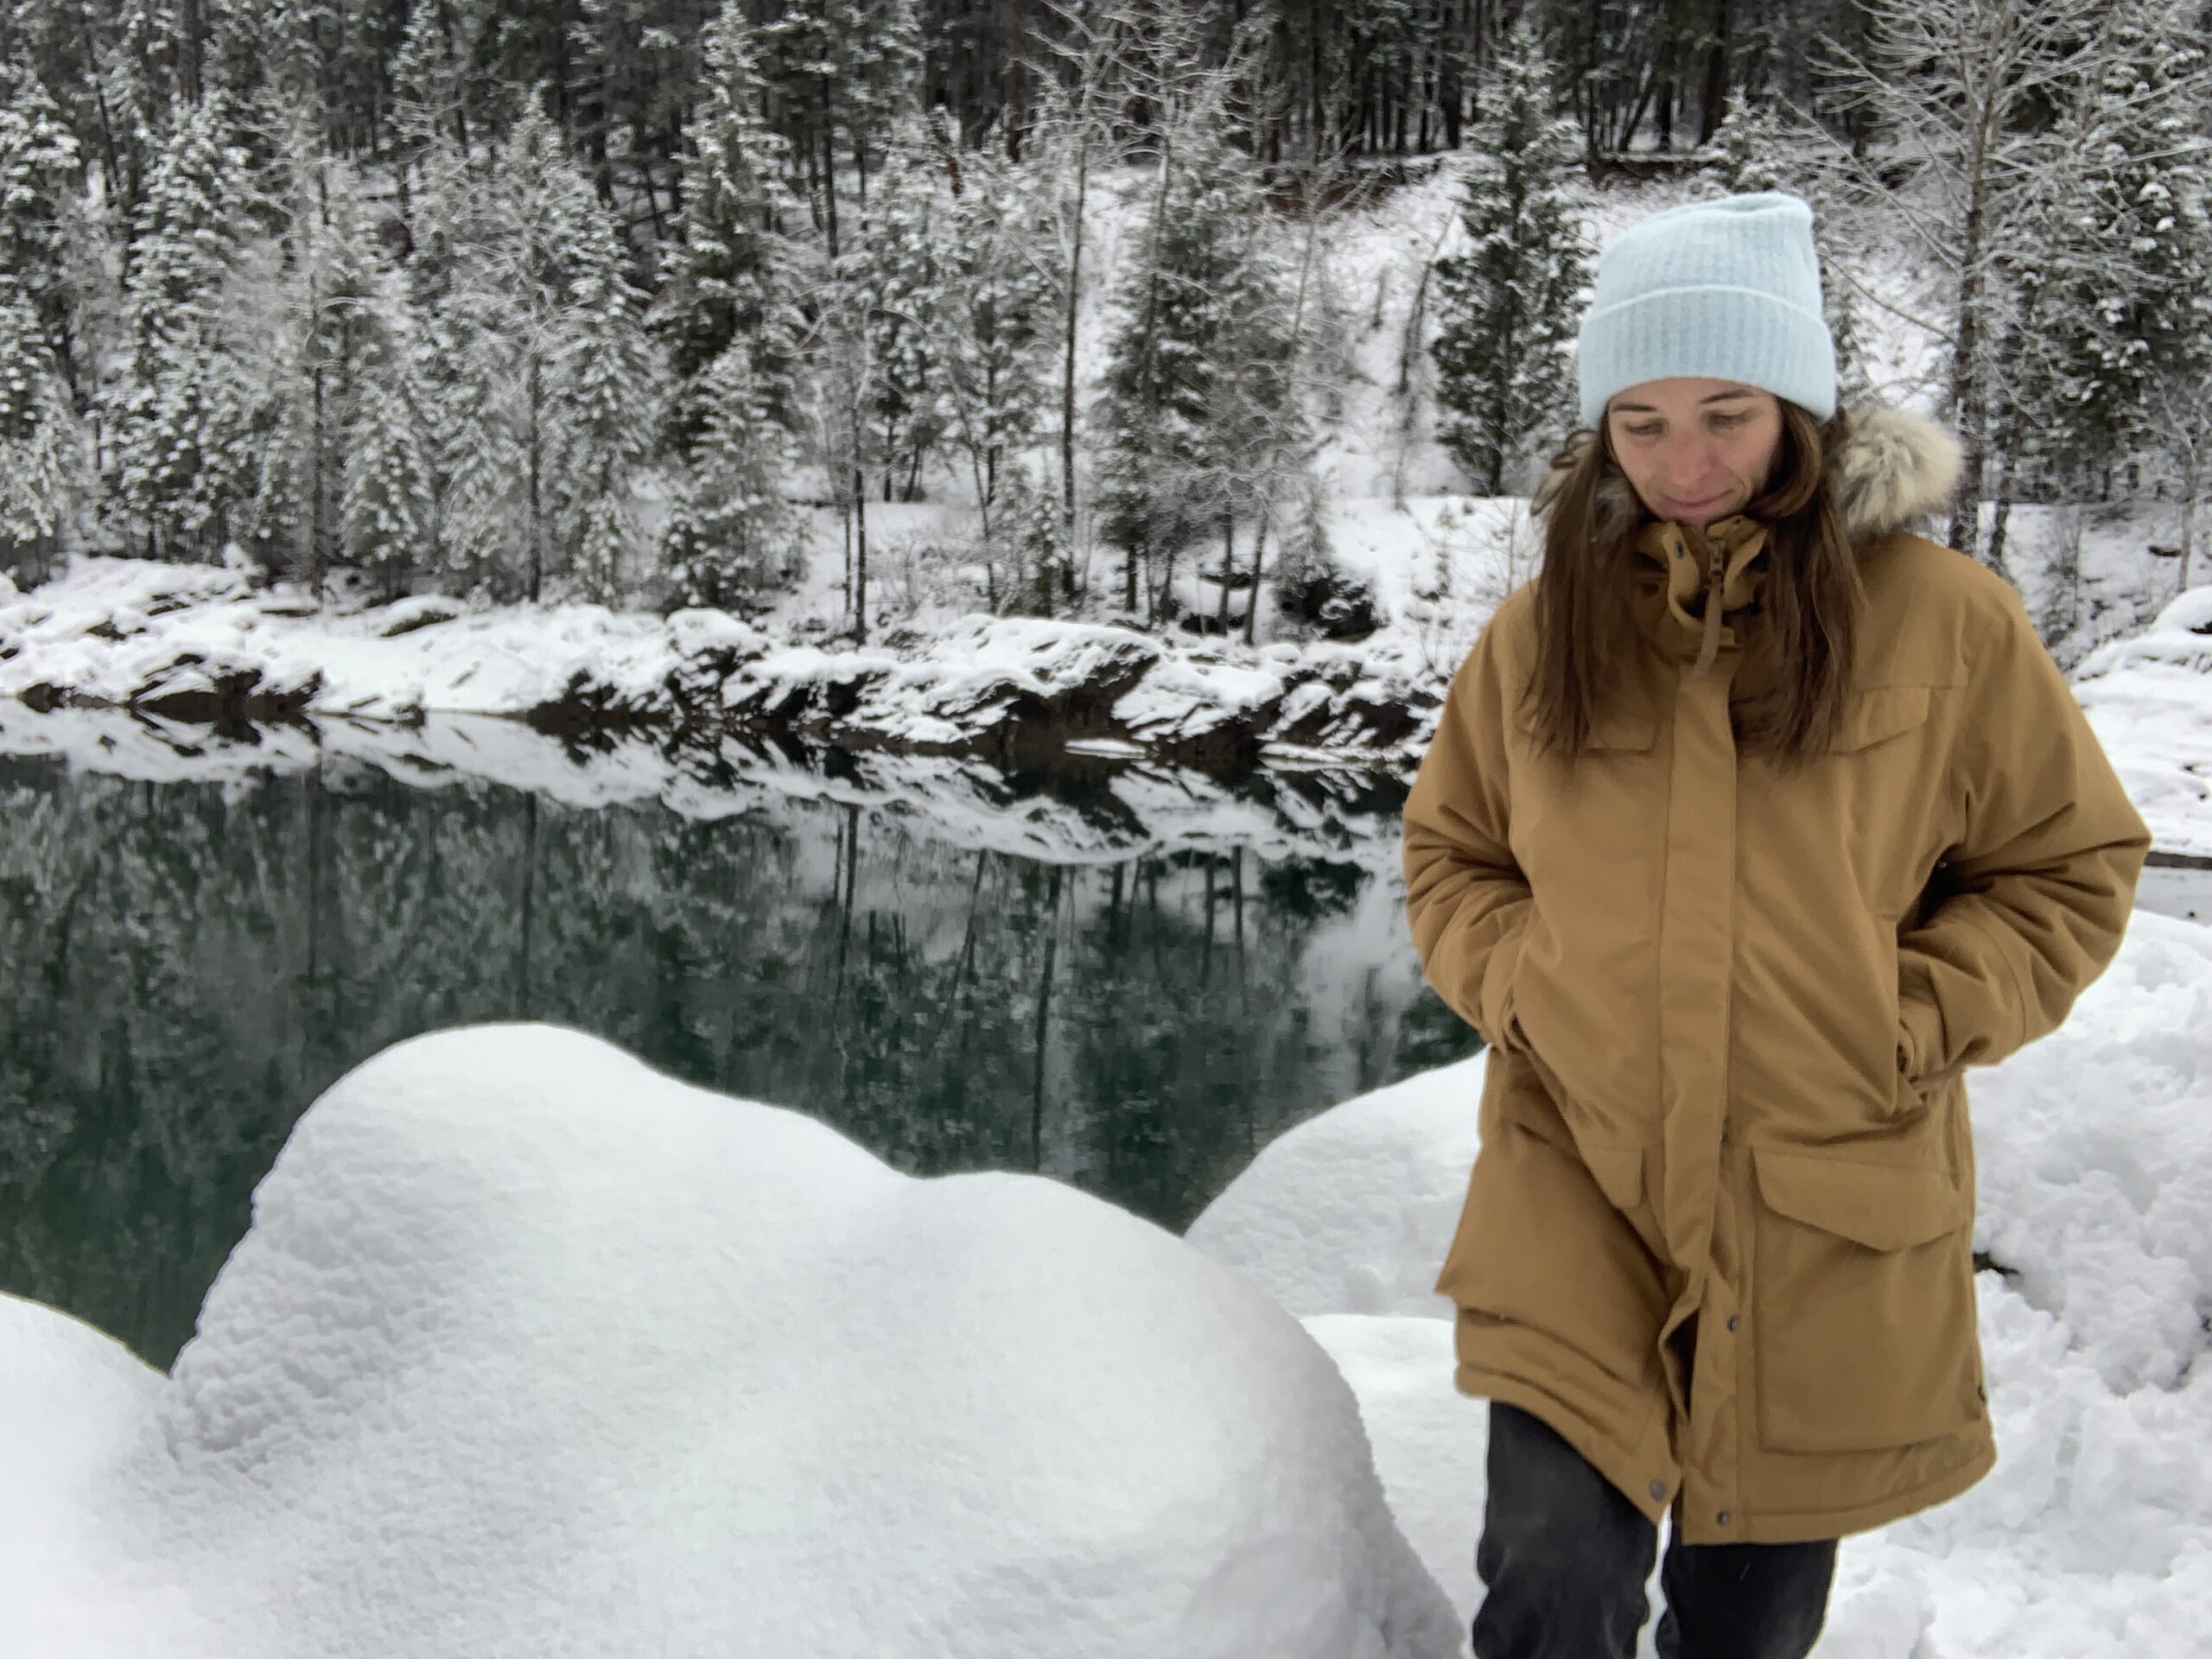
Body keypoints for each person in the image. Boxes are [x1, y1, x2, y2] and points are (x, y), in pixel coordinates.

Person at [1400, 191, 2151, 1659]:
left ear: (1799, 411)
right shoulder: (1543, 627)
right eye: (1641, 424)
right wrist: (1530, 986)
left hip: (1820, 1197)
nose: (1685, 466)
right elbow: (1454, 857)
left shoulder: (1948, 622)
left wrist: (1909, 1016)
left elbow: (2068, 869)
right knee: (1551, 1581)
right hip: (1581, 1180)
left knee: (1748, 1630)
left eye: (1726, 416)